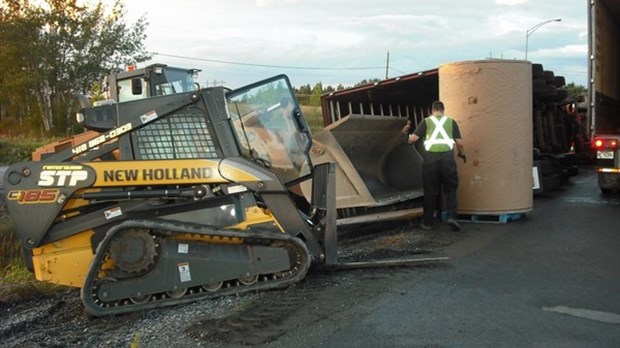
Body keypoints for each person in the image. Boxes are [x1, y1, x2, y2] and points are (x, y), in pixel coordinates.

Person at [407, 101, 466, 231]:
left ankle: (428, 222)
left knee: (430, 192)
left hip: (430, 162)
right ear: (443, 110)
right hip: (447, 161)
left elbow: (413, 139)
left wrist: (407, 137)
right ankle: (452, 217)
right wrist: (462, 154)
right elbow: (460, 143)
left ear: (432, 110)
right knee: (451, 190)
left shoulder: (426, 122)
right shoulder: (451, 122)